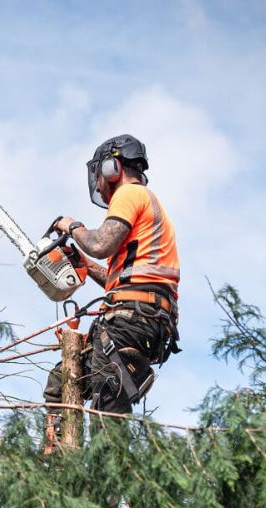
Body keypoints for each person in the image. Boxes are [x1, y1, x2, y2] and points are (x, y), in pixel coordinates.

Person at [43, 133, 180, 418]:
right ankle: (59, 458)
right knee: (62, 381)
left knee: (108, 410)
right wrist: (84, 263)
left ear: (111, 168)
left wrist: (71, 226)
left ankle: (108, 461)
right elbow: (124, 280)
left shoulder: (130, 193)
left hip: (132, 320)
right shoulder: (144, 203)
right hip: (137, 315)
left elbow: (99, 244)